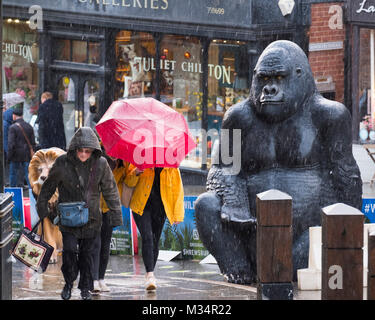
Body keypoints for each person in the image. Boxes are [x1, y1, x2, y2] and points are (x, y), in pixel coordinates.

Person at [36, 127, 123, 300]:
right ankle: (69, 282)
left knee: (87, 255)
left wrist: (116, 214)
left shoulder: (101, 164)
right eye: (80, 151)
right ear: (74, 149)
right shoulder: (62, 163)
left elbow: (110, 190)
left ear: (93, 151)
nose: (83, 154)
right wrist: (43, 209)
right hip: (68, 218)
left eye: (87, 151)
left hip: (92, 219)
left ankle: (85, 288)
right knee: (68, 252)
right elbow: (47, 188)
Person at [124, 164, 184, 291]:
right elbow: (128, 182)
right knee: (148, 238)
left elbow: (177, 190)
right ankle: (150, 275)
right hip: (141, 206)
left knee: (155, 241)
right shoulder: (139, 160)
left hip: (161, 209)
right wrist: (136, 172)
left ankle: (149, 273)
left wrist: (177, 213)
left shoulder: (172, 167)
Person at [92, 156, 128, 294]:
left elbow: (128, 183)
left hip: (109, 209)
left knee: (105, 246)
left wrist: (135, 174)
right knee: (96, 245)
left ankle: (101, 278)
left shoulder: (121, 166)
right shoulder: (97, 160)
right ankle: (94, 280)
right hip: (94, 208)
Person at [7, 103, 36, 188]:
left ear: (14, 116)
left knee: (13, 175)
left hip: (15, 155)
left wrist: (9, 157)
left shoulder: (12, 127)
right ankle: (32, 194)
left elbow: (11, 144)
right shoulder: (29, 126)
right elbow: (33, 143)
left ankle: (13, 194)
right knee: (28, 175)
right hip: (26, 155)